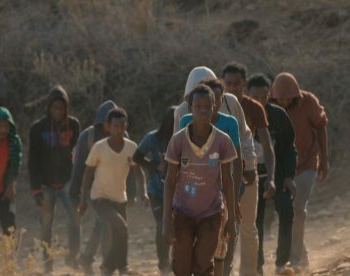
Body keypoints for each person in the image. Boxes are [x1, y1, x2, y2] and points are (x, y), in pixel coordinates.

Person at [163, 84, 237, 275]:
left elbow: (228, 180)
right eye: (198, 106)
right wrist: (166, 220)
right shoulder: (178, 141)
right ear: (190, 107)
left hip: (211, 213)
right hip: (182, 212)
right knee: (181, 265)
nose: (203, 110)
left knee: (204, 263)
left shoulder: (223, 141)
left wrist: (232, 219)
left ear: (215, 107)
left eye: (208, 106)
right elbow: (170, 181)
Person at [78, 108, 148, 275]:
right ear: (108, 127)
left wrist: (143, 192)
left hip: (120, 197)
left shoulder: (131, 147)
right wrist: (82, 200)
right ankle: (118, 267)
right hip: (100, 197)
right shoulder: (99, 147)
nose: (118, 130)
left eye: (122, 126)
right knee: (120, 226)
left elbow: (139, 172)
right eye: (115, 126)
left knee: (121, 231)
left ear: (126, 126)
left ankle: (113, 267)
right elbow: (87, 175)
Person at [271, 72, 329, 272]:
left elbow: (321, 127)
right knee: (288, 211)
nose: (285, 100)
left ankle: (295, 260)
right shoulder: (268, 107)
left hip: (307, 164)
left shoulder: (308, 102)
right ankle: (300, 255)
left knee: (298, 209)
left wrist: (325, 160)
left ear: (296, 95)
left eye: (289, 97)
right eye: (281, 97)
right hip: (282, 168)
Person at [222, 62, 276, 276]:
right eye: (229, 84)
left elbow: (267, 147)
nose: (233, 88)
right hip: (221, 173)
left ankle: (249, 272)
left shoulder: (254, 107)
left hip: (247, 170)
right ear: (222, 84)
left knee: (248, 228)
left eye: (237, 83)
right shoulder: (216, 106)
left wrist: (270, 177)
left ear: (244, 83)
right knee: (222, 227)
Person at [247, 73, 298, 275]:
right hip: (250, 176)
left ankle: (281, 263)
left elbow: (288, 148)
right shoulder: (240, 116)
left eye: (264, 96)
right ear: (247, 95)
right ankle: (257, 266)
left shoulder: (278, 116)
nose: (260, 101)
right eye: (255, 97)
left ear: (269, 95)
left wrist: (289, 177)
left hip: (276, 173)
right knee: (254, 222)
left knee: (287, 211)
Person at [28, 85, 80, 273]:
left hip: (67, 182)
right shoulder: (37, 128)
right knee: (46, 226)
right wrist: (35, 189)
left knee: (75, 219)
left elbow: (77, 155)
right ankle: (47, 264)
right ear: (49, 108)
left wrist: (78, 184)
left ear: (66, 108)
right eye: (54, 107)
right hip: (46, 184)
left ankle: (72, 258)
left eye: (61, 107)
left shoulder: (73, 125)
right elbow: (32, 160)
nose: (58, 111)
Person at [69, 100, 117, 273]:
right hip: (91, 188)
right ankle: (106, 266)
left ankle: (86, 257)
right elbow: (79, 168)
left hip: (113, 187)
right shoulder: (87, 137)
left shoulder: (121, 135)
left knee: (101, 222)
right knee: (105, 222)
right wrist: (74, 194)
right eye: (108, 121)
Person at [133, 106, 176, 274]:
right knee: (161, 225)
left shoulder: (185, 138)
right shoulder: (152, 138)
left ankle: (177, 261)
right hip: (157, 190)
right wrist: (154, 166)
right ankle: (163, 263)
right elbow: (137, 157)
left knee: (178, 226)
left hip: (179, 192)